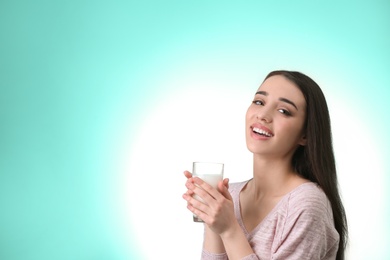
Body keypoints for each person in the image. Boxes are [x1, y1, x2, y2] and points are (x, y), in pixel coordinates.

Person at [182, 70, 348, 260]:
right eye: (259, 102)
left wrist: (229, 230)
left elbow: (230, 230)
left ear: (306, 135)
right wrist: (212, 221)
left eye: (284, 111)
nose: (263, 115)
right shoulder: (231, 198)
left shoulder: (306, 204)